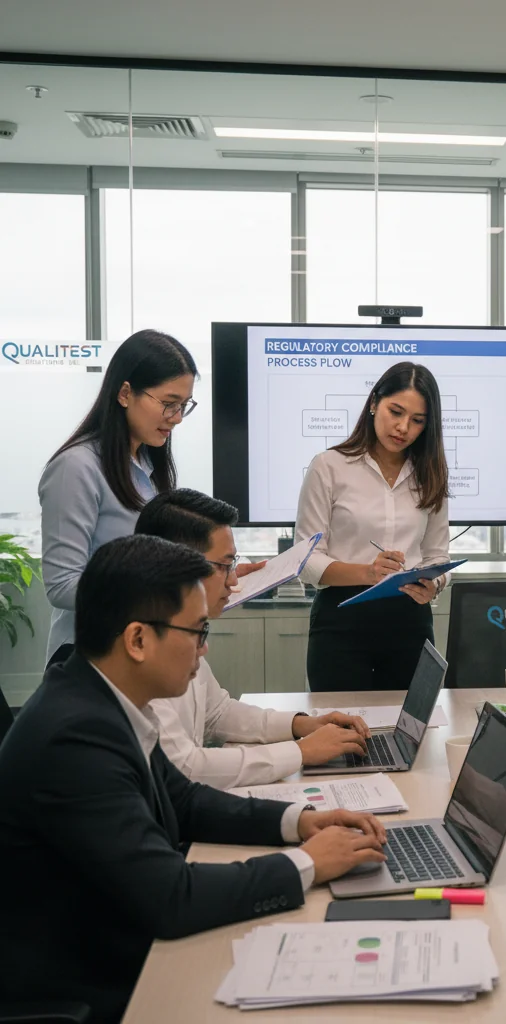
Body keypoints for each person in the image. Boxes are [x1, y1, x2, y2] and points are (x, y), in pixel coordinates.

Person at [0, 535, 387, 1022]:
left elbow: (184, 802)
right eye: (197, 632)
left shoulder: (97, 697)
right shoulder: (75, 737)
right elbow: (171, 898)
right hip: (93, 987)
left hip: (128, 945)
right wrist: (306, 865)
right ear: (138, 639)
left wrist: (300, 821)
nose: (203, 652)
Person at [136, 488, 373, 787]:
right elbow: (185, 767)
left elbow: (217, 713)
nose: (235, 580)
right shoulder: (144, 648)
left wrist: (303, 725)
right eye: (225, 566)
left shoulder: (179, 629)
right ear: (175, 566)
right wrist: (300, 752)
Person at [38, 328, 199, 667]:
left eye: (184, 405)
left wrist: (208, 572)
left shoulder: (145, 465)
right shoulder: (76, 467)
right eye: (169, 404)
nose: (178, 418)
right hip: (88, 657)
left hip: (137, 649)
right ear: (125, 393)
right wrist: (153, 590)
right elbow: (62, 585)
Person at [295, 361, 451, 691]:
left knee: (410, 733)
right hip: (341, 623)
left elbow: (437, 556)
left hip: (411, 622)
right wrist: (368, 573)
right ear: (373, 403)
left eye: (417, 420)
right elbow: (306, 560)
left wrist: (435, 584)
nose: (403, 427)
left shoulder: (431, 474)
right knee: (342, 735)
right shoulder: (329, 466)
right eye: (396, 412)